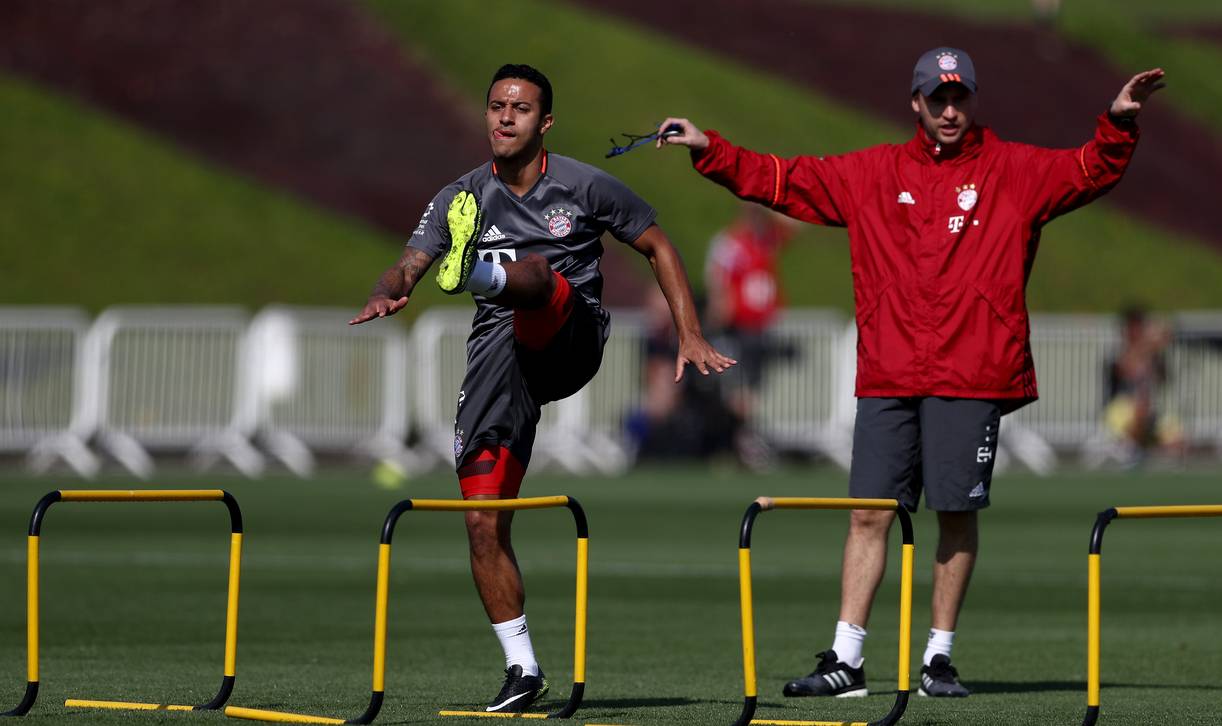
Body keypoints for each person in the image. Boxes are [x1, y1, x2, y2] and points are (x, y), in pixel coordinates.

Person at [659, 48, 1163, 699]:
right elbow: (783, 179)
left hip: (971, 372)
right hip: (890, 372)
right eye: (937, 98)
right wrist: (710, 149)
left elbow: (1089, 170)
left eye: (959, 98)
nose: (949, 110)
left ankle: (938, 660)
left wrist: (1118, 122)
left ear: (971, 100)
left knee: (954, 512)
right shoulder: (871, 172)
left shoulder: (1015, 170)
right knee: (868, 514)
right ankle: (845, 660)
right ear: (916, 103)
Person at [350, 63, 733, 713]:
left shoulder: (584, 185)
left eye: (519, 108)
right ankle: (523, 669)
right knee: (481, 521)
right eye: (496, 106)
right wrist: (389, 290)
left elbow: (659, 246)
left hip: (570, 334)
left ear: (544, 122)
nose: (504, 117)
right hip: (501, 364)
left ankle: (480, 271)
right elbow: (408, 264)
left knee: (537, 278)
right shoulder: (458, 197)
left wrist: (690, 333)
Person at [705, 204, 797, 468]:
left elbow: (794, 223)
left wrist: (770, 206)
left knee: (751, 389)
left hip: (760, 326)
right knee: (739, 389)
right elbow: (718, 280)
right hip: (738, 325)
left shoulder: (766, 239)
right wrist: (718, 311)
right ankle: (737, 441)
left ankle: (741, 440)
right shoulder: (732, 242)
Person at [1103, 305, 1183, 464]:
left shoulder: (1153, 356)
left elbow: (1165, 379)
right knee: (1139, 410)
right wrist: (1149, 345)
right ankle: (1134, 454)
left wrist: (1157, 352)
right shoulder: (1117, 353)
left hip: (1150, 411)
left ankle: (1154, 461)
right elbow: (1125, 368)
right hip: (1119, 410)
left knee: (1177, 437)